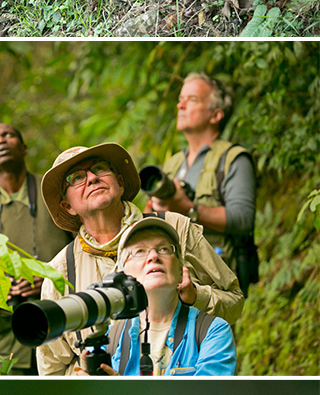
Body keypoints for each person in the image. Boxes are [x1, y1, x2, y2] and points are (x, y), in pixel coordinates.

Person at [36, 143, 243, 376]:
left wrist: (196, 296)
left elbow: (234, 303)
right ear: (67, 206)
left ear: (120, 182)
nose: (92, 178)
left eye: (100, 168)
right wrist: (86, 379)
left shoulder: (175, 228)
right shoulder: (61, 271)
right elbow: (52, 371)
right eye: (76, 178)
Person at [0, 122, 72, 374]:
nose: (1, 141)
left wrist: (47, 281)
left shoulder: (53, 193)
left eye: (8, 135)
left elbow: (84, 249)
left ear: (23, 149)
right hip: (7, 338)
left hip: (64, 325)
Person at [148, 73, 258, 294]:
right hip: (171, 282)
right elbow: (148, 218)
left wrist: (188, 208)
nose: (181, 105)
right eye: (180, 98)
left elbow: (243, 219)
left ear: (216, 114)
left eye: (192, 99)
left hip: (214, 285)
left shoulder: (233, 159)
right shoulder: (173, 163)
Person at [104, 218, 236, 376]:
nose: (153, 256)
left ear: (181, 270)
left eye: (164, 249)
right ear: (123, 274)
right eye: (139, 251)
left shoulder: (213, 331)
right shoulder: (110, 340)